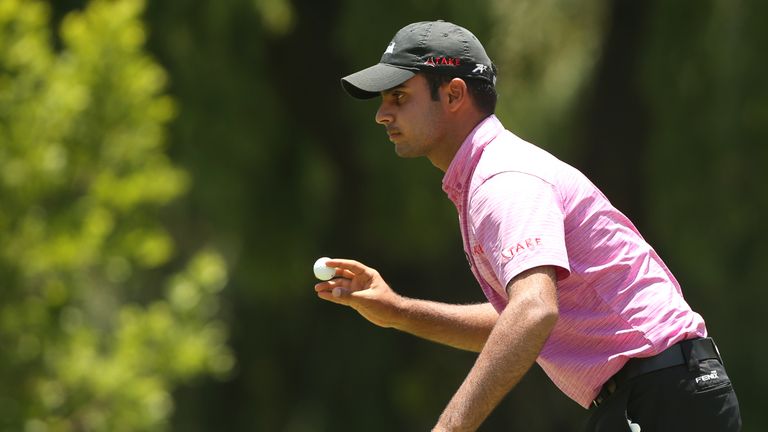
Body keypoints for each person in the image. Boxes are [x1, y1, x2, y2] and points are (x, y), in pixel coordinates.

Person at [315, 20, 742, 432]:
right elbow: (518, 321)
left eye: (398, 96)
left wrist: (449, 427)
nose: (382, 114)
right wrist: (398, 312)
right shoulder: (487, 175)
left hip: (662, 392)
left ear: (453, 94)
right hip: (657, 391)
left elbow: (534, 311)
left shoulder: (503, 180)